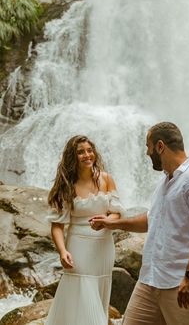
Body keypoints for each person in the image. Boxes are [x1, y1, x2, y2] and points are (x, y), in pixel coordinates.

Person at [90, 122, 189, 325]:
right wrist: (113, 224)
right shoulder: (165, 181)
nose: (147, 153)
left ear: (160, 146)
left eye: (148, 147)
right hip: (150, 281)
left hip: (182, 283)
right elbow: (153, 218)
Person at [45, 135, 125, 325]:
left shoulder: (106, 179)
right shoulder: (67, 185)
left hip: (104, 246)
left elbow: (117, 213)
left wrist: (107, 220)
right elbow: (57, 225)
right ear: (73, 157)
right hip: (78, 247)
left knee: (98, 292)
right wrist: (63, 251)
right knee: (83, 293)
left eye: (89, 150)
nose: (87, 155)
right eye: (80, 152)